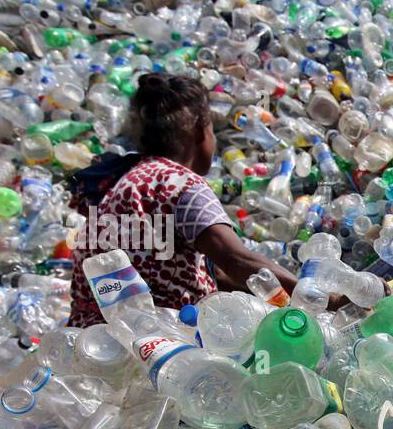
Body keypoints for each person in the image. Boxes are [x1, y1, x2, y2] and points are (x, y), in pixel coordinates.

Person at [65, 73, 299, 327]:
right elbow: (235, 260)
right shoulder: (180, 184)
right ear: (200, 131)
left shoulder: (116, 183)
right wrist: (322, 301)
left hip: (90, 340)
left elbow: (216, 273)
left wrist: (278, 304)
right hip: (155, 341)